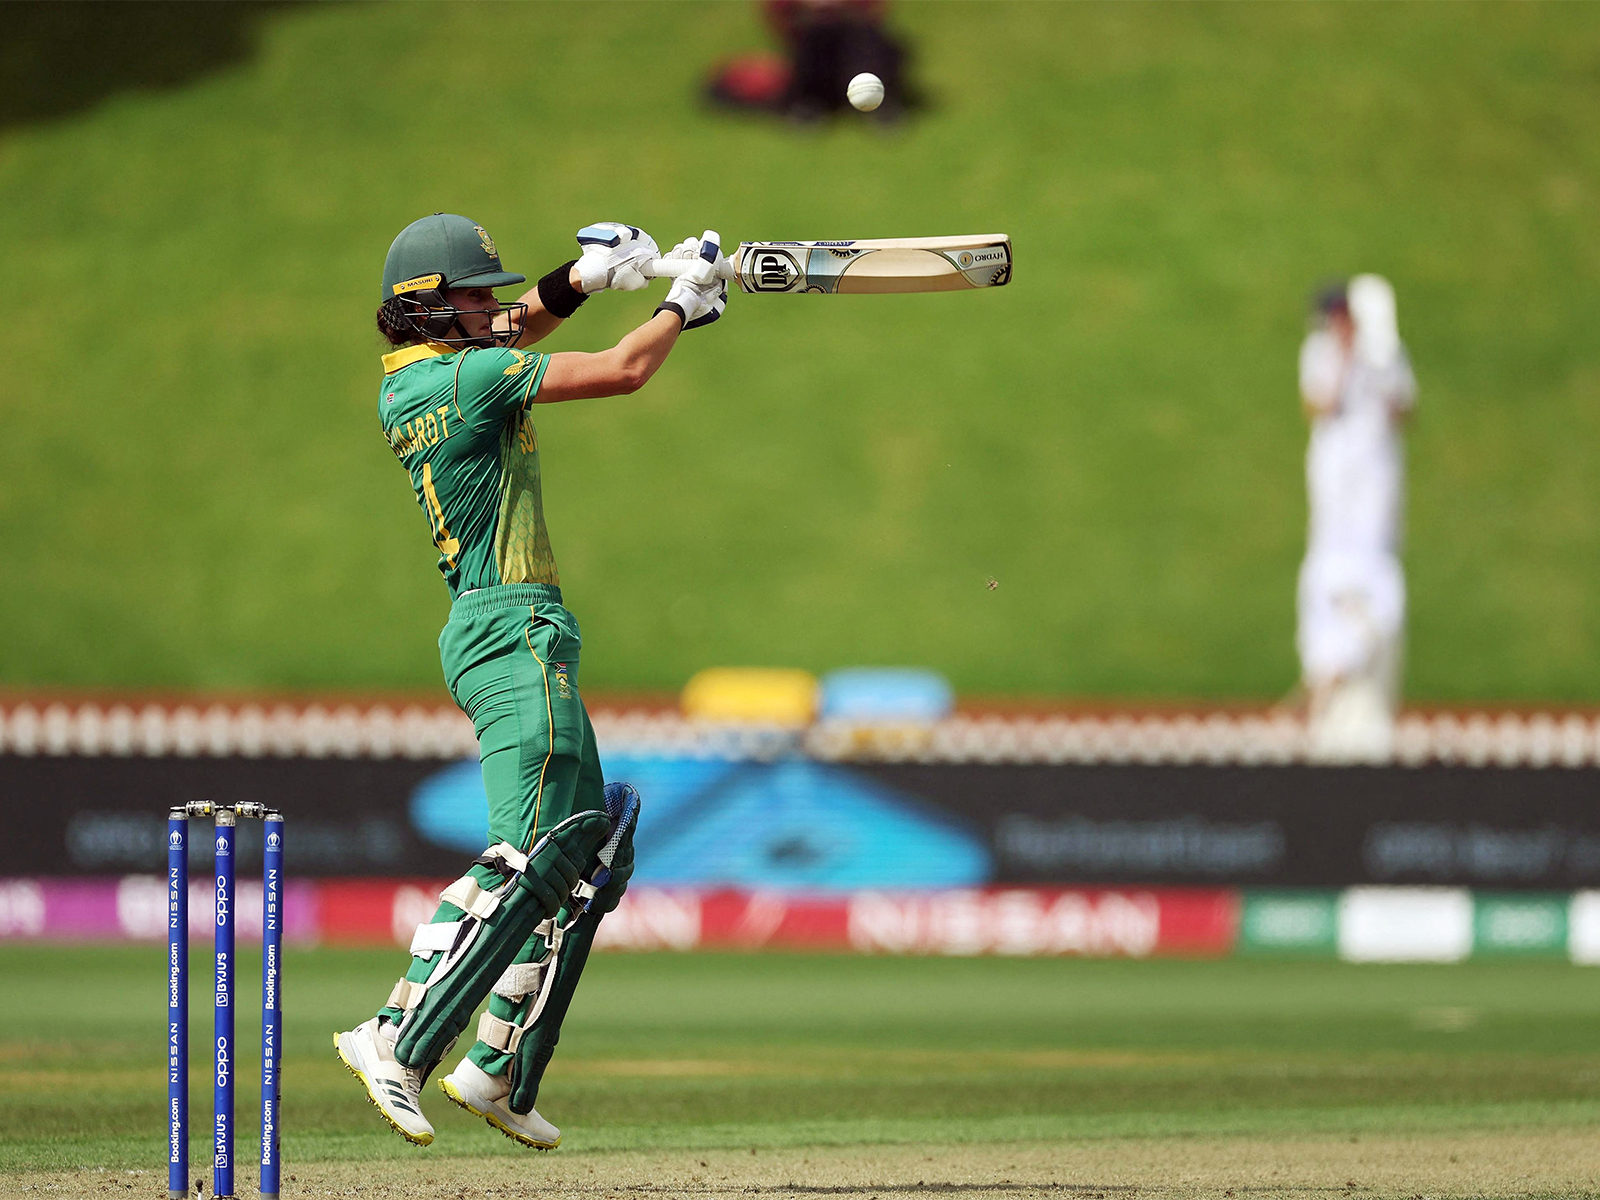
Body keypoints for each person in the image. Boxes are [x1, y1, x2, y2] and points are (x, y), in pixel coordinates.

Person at [334, 214, 729, 1149]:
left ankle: (501, 1069)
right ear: (429, 305)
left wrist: (585, 278)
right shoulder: (470, 377)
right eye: (474, 294)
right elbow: (623, 370)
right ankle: (394, 1038)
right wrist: (681, 302)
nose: (492, 307)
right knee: (532, 849)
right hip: (510, 629)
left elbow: (513, 328)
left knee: (593, 850)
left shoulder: (421, 378)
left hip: (509, 626)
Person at [1295, 275, 1416, 762]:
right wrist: (1347, 361)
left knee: (1372, 550)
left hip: (1375, 468)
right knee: (1332, 550)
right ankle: (1335, 652)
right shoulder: (1318, 352)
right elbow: (1319, 405)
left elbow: (1403, 409)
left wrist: (1379, 366)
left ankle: (1357, 638)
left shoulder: (1387, 349)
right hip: (1335, 469)